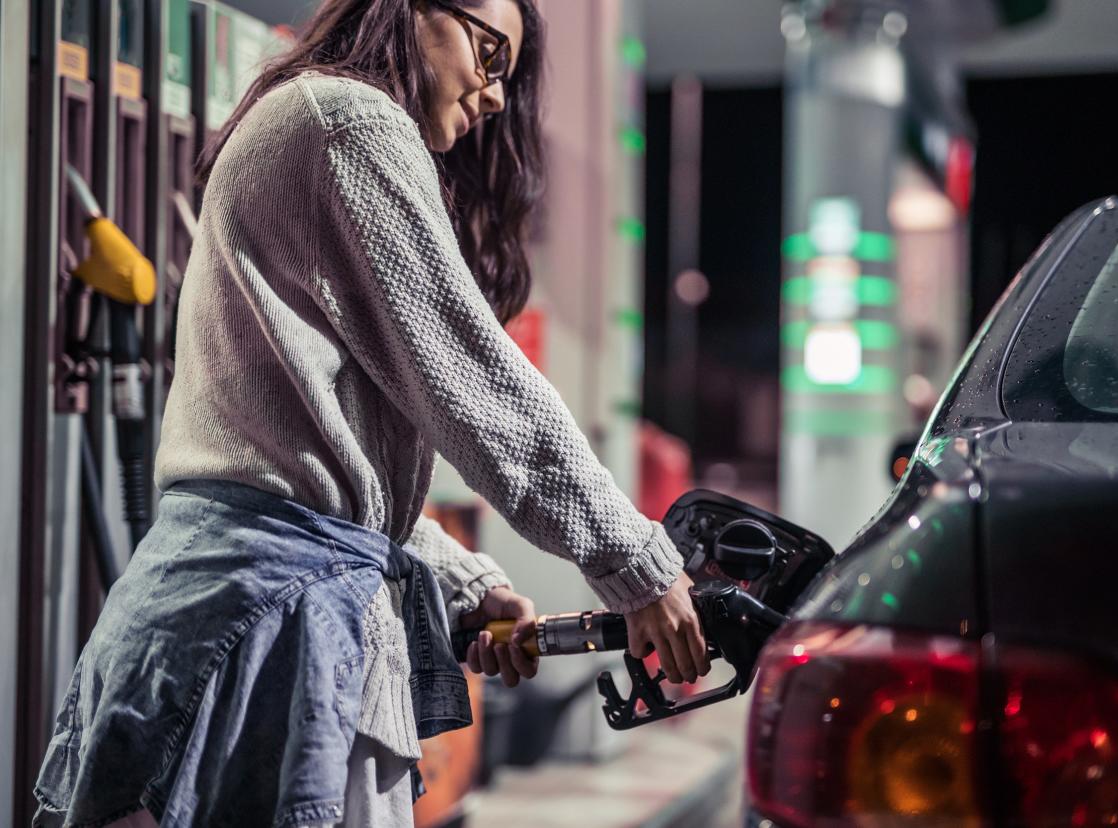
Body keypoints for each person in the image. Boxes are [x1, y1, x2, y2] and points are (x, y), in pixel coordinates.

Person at [31, 1, 709, 825]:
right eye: (490, 52)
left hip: (238, 614)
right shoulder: (348, 120)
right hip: (262, 626)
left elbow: (314, 475)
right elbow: (476, 382)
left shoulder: (312, 120)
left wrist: (466, 582)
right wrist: (638, 562)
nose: (495, 95)